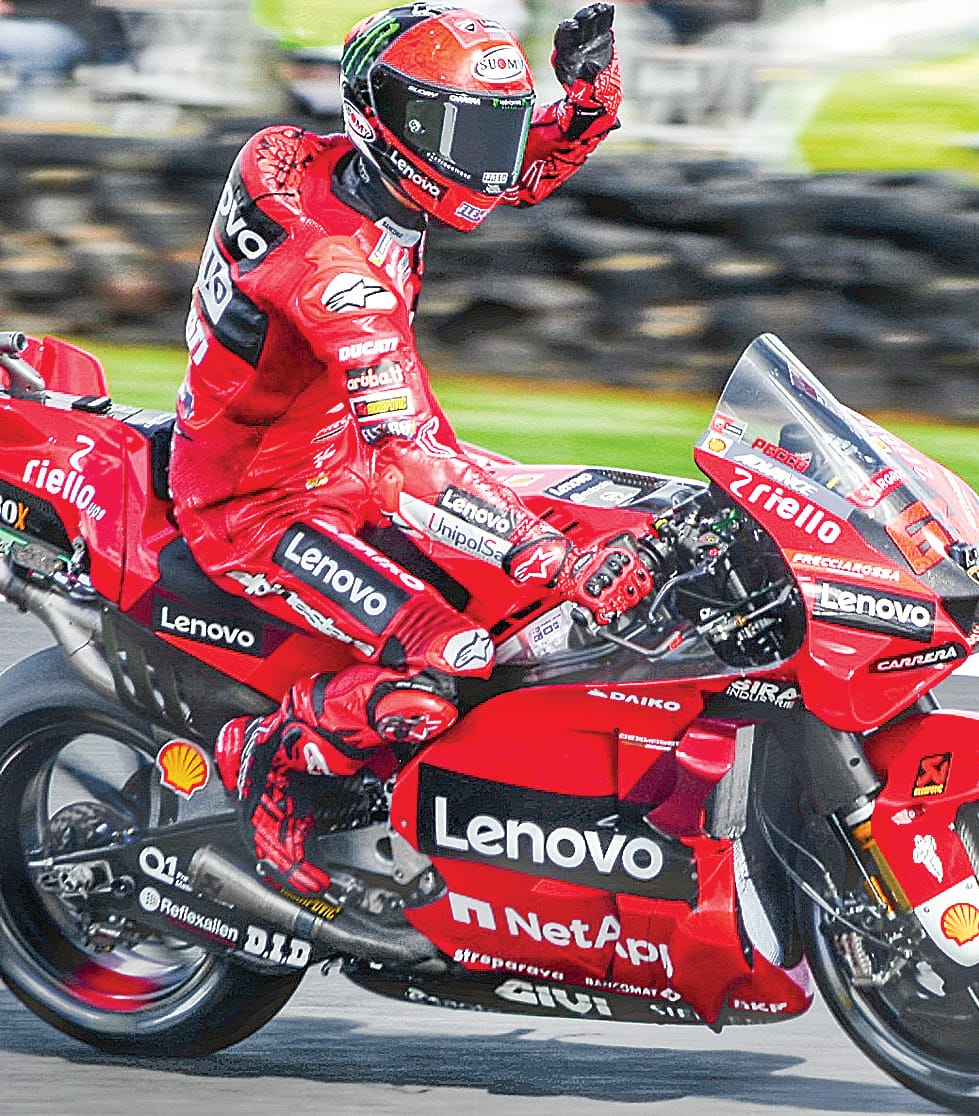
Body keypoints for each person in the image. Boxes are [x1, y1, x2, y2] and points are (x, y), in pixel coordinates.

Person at [169, 3, 652, 895]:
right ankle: (270, 758)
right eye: (464, 132)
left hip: (340, 459)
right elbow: (410, 461)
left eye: (490, 129)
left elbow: (510, 169)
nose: (487, 161)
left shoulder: (323, 164)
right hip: (260, 505)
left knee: (599, 520)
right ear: (391, 125)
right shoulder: (337, 279)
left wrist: (587, 104)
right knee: (449, 657)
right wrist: (551, 555)